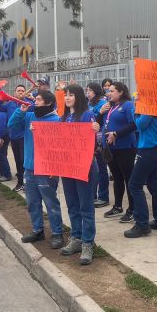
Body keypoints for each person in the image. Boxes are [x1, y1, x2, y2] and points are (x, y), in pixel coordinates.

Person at [8, 90, 64, 248]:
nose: (35, 102)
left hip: (47, 169)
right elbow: (11, 125)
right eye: (36, 99)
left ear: (48, 103)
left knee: (51, 202)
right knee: (32, 202)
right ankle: (37, 230)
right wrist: (20, 112)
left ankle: (57, 232)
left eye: (39, 100)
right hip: (30, 168)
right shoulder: (29, 116)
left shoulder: (56, 120)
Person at [59, 85, 100, 265]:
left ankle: (88, 242)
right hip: (67, 167)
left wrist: (96, 129)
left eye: (71, 95)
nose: (67, 98)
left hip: (84, 167)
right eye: (65, 95)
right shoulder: (64, 117)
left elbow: (94, 138)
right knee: (72, 204)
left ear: (79, 97)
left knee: (85, 206)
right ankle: (76, 238)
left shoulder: (86, 115)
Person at [124, 110, 157, 238]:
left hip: (149, 149)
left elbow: (140, 125)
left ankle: (142, 225)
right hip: (155, 148)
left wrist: (137, 111)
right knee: (154, 185)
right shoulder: (152, 105)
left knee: (135, 185)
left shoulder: (148, 107)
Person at [99, 82, 137, 222]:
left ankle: (133, 209)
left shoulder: (127, 105)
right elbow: (101, 123)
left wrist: (116, 134)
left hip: (125, 147)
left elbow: (133, 125)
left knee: (128, 178)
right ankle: (118, 206)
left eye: (112, 91)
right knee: (117, 177)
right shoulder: (111, 106)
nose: (109, 93)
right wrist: (101, 112)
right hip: (111, 148)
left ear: (121, 92)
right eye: (108, 91)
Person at [86, 82, 109, 208]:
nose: (88, 93)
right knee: (93, 169)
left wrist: (99, 113)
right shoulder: (89, 104)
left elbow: (97, 121)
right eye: (87, 90)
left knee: (101, 168)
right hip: (90, 139)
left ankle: (103, 196)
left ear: (96, 91)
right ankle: (93, 194)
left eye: (90, 90)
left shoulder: (102, 103)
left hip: (99, 139)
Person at [7, 85, 27, 191]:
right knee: (18, 160)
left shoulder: (29, 103)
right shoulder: (10, 104)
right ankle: (20, 182)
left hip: (24, 136)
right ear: (14, 93)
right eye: (18, 90)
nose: (21, 92)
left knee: (24, 160)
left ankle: (26, 183)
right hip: (13, 137)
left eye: (23, 91)